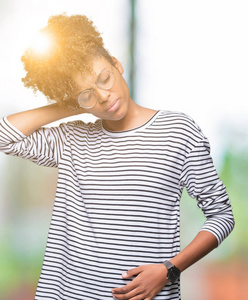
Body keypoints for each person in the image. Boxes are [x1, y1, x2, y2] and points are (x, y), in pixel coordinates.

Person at [0, 14, 234, 300]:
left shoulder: (178, 131)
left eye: (105, 78)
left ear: (116, 63)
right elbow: (4, 135)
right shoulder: (72, 139)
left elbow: (222, 215)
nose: (104, 96)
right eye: (87, 95)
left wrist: (170, 270)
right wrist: (73, 104)